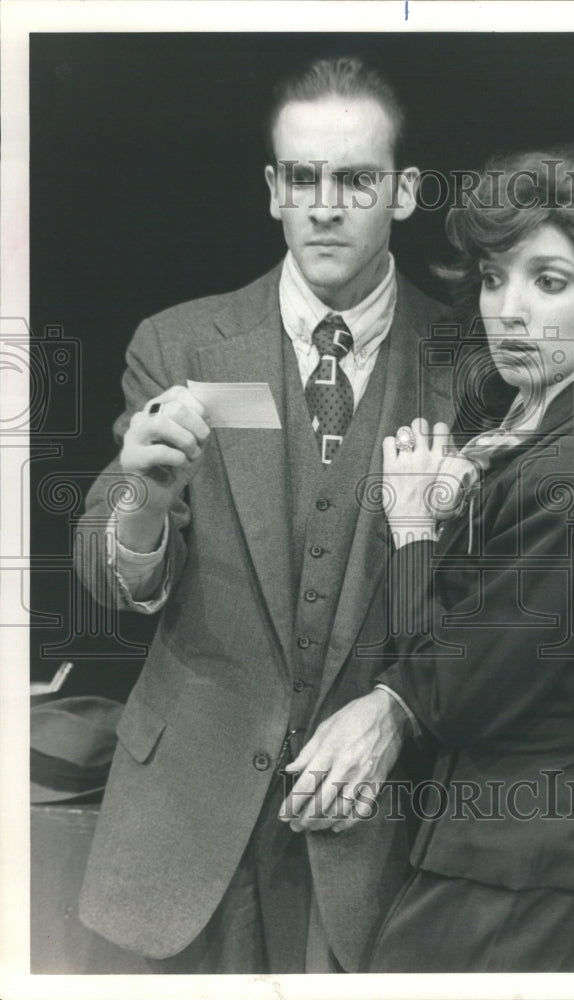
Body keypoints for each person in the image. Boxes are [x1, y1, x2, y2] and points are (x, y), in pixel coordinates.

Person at [75, 55, 452, 973]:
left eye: (356, 178)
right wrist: (143, 510)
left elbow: (498, 603)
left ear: (402, 192)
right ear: (273, 190)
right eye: (303, 178)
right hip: (185, 829)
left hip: (374, 839)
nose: (325, 204)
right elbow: (100, 569)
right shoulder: (180, 343)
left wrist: (398, 707)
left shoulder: (468, 364)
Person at [359, 148, 574, 971]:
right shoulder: (560, 427)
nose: (509, 312)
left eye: (548, 281)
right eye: (492, 277)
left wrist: (412, 529)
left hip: (522, 867)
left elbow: (449, 700)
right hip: (543, 847)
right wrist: (460, 513)